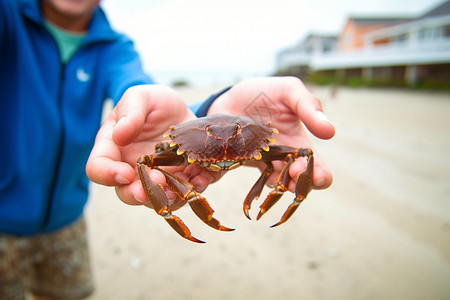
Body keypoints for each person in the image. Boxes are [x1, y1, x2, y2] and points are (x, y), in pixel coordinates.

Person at [1, 1, 334, 300]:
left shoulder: (115, 46)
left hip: (66, 217)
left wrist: (193, 106)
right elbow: (148, 157)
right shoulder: (8, 21)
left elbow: (136, 86)